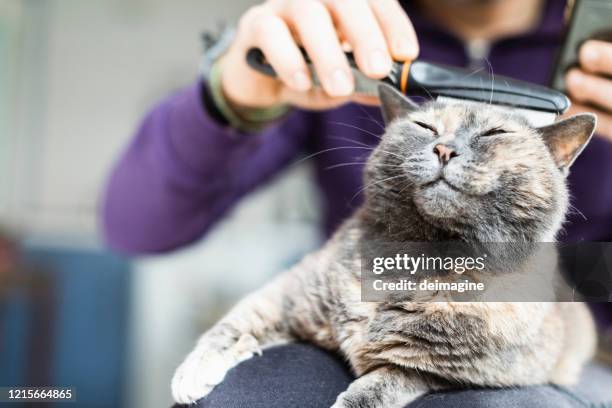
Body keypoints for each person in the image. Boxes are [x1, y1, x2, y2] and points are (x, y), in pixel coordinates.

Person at [102, 0, 612, 406]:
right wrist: (233, 92)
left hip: (559, 334)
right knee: (246, 397)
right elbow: (138, 226)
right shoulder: (345, 36)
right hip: (353, 304)